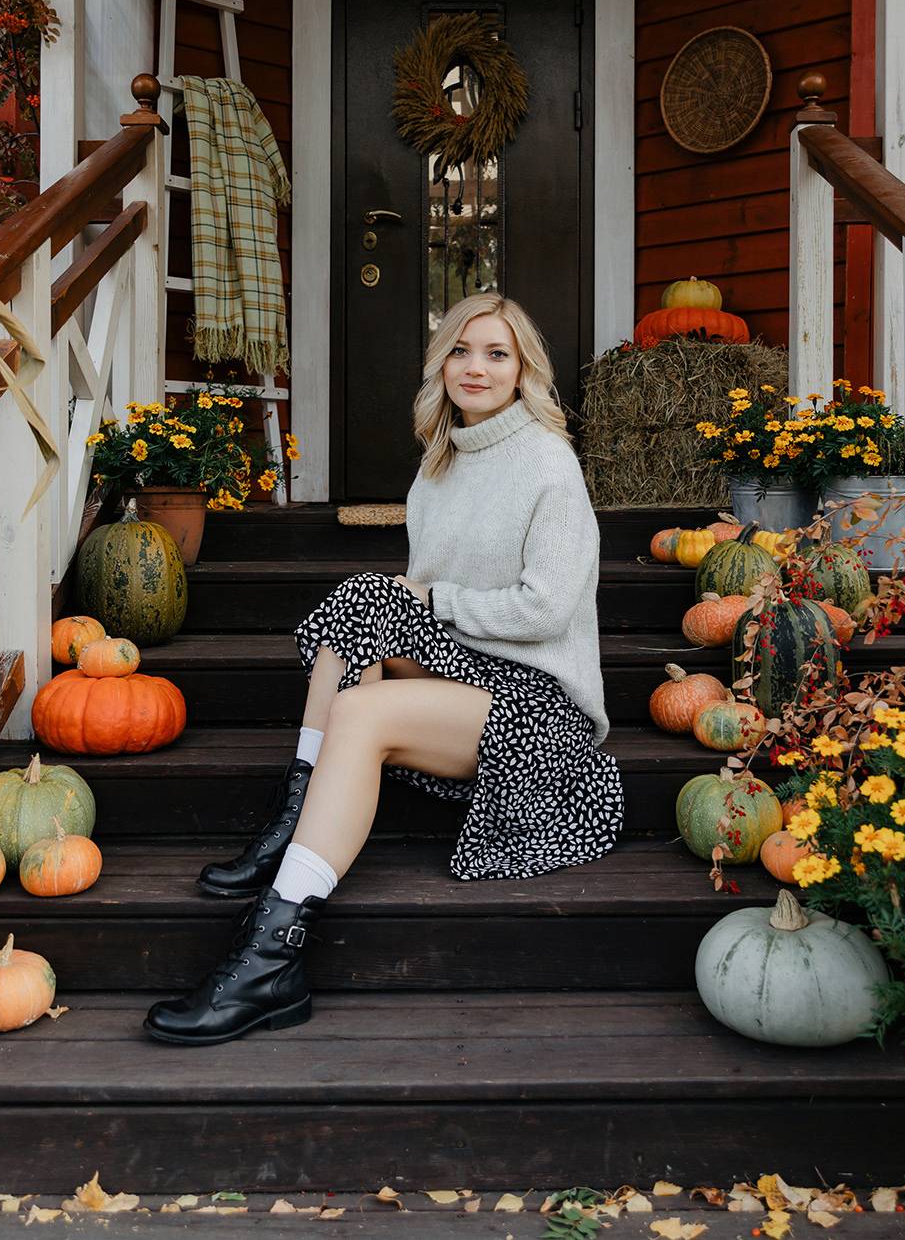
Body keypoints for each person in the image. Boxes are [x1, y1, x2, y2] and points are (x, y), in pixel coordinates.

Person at [144, 293, 625, 1046]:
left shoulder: (548, 464)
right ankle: (295, 819)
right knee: (363, 598)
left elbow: (546, 610)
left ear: (524, 371)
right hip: (473, 673)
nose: (476, 368)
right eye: (461, 350)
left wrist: (437, 601)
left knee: (361, 707)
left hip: (538, 707)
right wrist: (420, 604)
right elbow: (414, 603)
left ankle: (270, 956)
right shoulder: (438, 465)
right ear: (441, 365)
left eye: (496, 354)